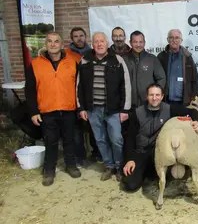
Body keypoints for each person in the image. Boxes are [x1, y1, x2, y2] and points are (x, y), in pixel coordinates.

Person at [25, 32, 81, 186]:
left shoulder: (72, 62)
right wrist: (34, 112)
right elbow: (29, 90)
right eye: (50, 41)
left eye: (56, 41)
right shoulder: (35, 64)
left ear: (62, 45)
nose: (53, 44)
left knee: (70, 140)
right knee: (50, 141)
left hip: (68, 109)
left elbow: (79, 86)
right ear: (46, 44)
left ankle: (71, 165)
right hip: (47, 111)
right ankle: (49, 170)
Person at [122, 83, 198, 192]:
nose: (154, 98)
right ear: (147, 96)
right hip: (141, 152)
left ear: (162, 96)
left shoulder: (169, 109)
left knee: (171, 177)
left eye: (157, 95)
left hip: (159, 152)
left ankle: (151, 172)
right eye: (151, 95)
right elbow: (130, 138)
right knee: (130, 185)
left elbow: (192, 112)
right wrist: (130, 159)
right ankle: (145, 171)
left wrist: (197, 121)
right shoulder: (137, 113)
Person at [77, 32, 130, 181]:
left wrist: (125, 109)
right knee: (100, 139)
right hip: (93, 109)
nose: (99, 44)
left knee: (117, 139)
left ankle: (119, 166)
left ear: (107, 43)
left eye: (102, 41)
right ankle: (109, 166)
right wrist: (81, 108)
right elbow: (79, 86)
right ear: (92, 44)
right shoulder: (85, 60)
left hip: (113, 109)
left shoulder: (117, 60)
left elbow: (125, 85)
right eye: (96, 42)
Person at [67, 27, 102, 166]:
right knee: (76, 130)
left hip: (91, 98)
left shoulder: (92, 53)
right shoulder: (66, 54)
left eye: (81, 35)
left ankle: (96, 152)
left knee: (93, 128)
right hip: (72, 96)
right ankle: (80, 157)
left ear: (86, 37)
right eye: (75, 36)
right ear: (72, 39)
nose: (79, 38)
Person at [122, 30, 166, 109]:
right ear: (130, 42)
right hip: (128, 104)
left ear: (144, 43)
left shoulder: (152, 59)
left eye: (141, 42)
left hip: (147, 103)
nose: (138, 45)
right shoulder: (124, 59)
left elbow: (161, 78)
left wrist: (154, 95)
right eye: (135, 42)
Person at [157, 29, 198, 105]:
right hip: (165, 101)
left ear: (181, 40)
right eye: (171, 37)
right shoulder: (161, 57)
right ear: (168, 40)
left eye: (177, 38)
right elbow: (156, 78)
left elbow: (195, 79)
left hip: (184, 102)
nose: (174, 40)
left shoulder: (187, 57)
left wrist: (194, 97)